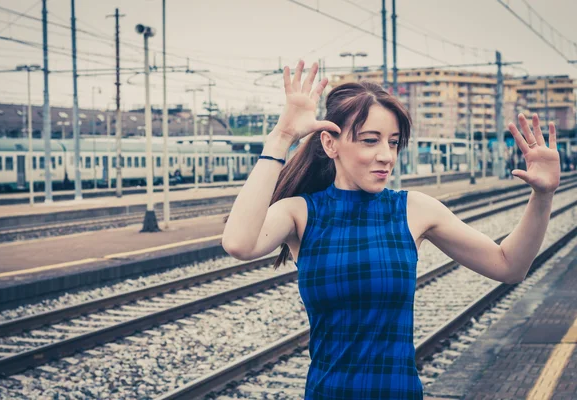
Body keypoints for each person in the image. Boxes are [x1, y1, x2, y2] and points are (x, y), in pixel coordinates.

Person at [221, 60, 560, 399]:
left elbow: (509, 265)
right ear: (330, 144)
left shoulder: (413, 209)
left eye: (394, 142)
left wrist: (542, 197)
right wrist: (281, 137)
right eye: (370, 140)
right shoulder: (302, 213)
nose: (386, 155)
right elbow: (239, 243)